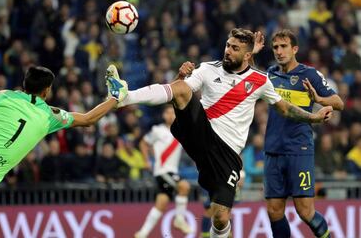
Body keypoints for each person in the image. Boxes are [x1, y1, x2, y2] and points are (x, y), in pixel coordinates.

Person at [105, 28, 333, 238]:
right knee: (183, 89)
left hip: (246, 154)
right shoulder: (219, 69)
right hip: (213, 136)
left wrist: (315, 112)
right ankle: (126, 95)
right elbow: (181, 88)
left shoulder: (279, 78)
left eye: (235, 48)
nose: (228, 51)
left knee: (226, 216)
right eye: (227, 45)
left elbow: (296, 106)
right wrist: (181, 75)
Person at [0, 65, 128, 213]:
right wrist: (114, 98)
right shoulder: (51, 116)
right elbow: (88, 119)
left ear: (25, 84)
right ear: (47, 90)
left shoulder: (3, 95)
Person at [255, 29, 344, 238]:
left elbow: (338, 102)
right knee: (274, 211)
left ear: (294, 49)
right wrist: (253, 53)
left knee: (305, 211)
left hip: (299, 149)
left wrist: (320, 100)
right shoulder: (270, 74)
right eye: (275, 47)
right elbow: (246, 77)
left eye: (284, 46)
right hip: (273, 149)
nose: (279, 51)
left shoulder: (309, 74)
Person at [135, 104, 192, 238]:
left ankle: (142, 233)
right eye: (167, 113)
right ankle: (179, 220)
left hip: (172, 171)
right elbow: (143, 143)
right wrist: (146, 160)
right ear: (163, 115)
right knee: (184, 186)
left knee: (161, 202)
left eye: (173, 112)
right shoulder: (157, 130)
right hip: (163, 171)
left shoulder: (181, 131)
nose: (170, 115)